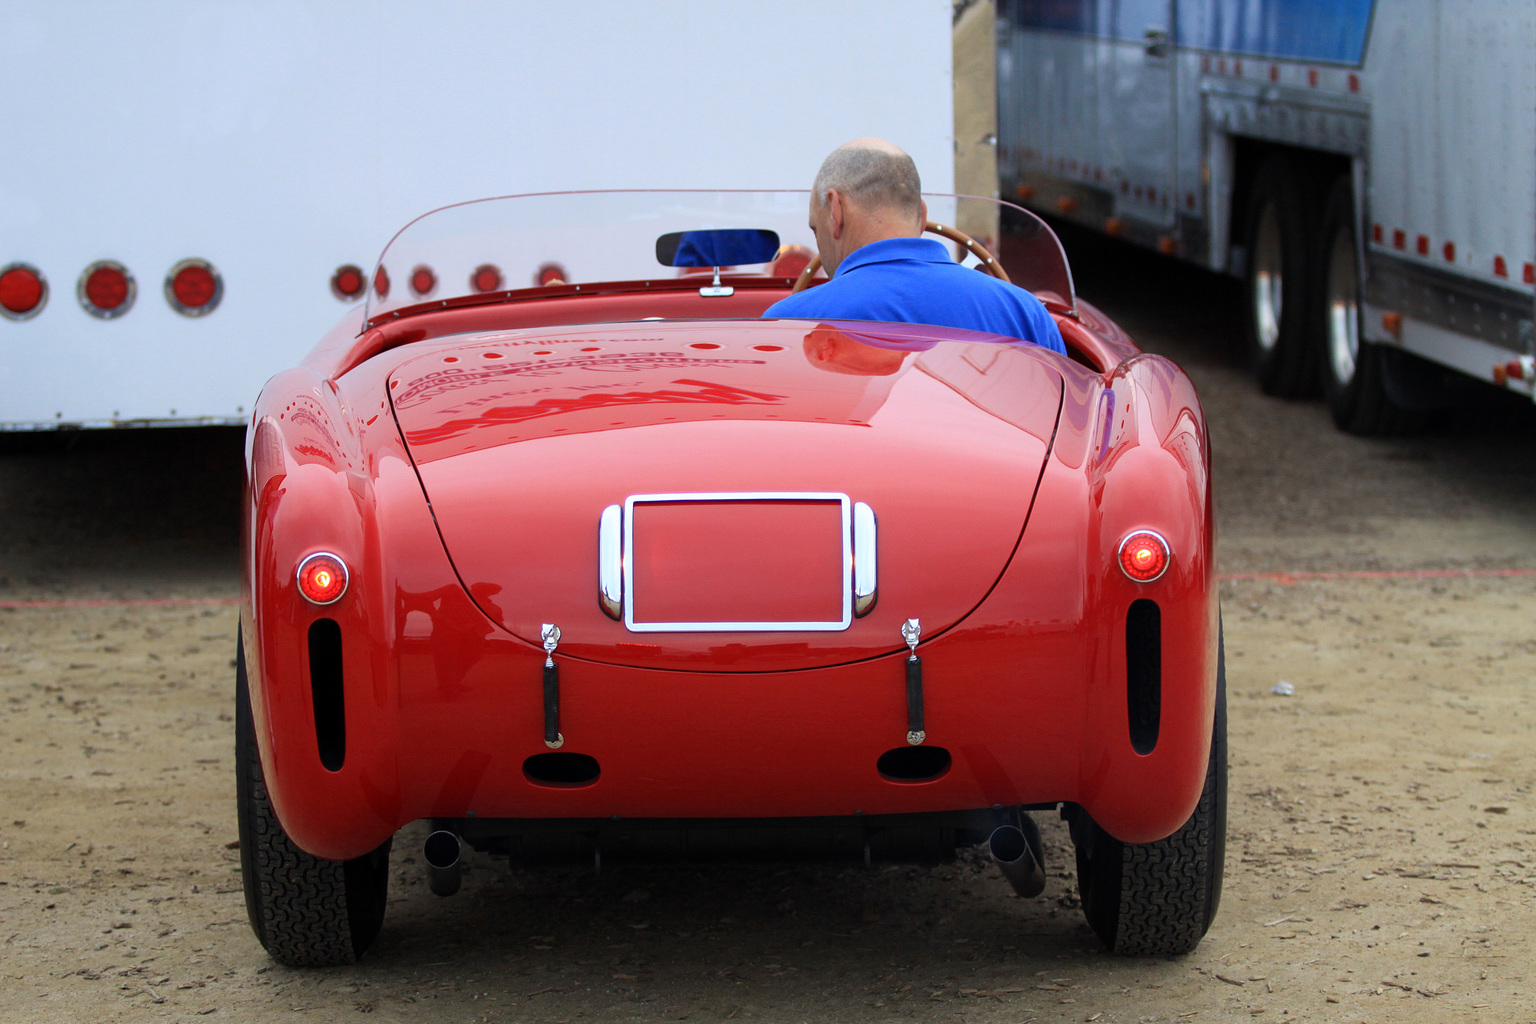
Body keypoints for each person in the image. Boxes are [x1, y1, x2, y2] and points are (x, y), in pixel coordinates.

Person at [762, 138, 1066, 355]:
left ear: (835, 210)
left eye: (817, 229)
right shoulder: (1024, 313)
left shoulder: (791, 322)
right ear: (922, 215)